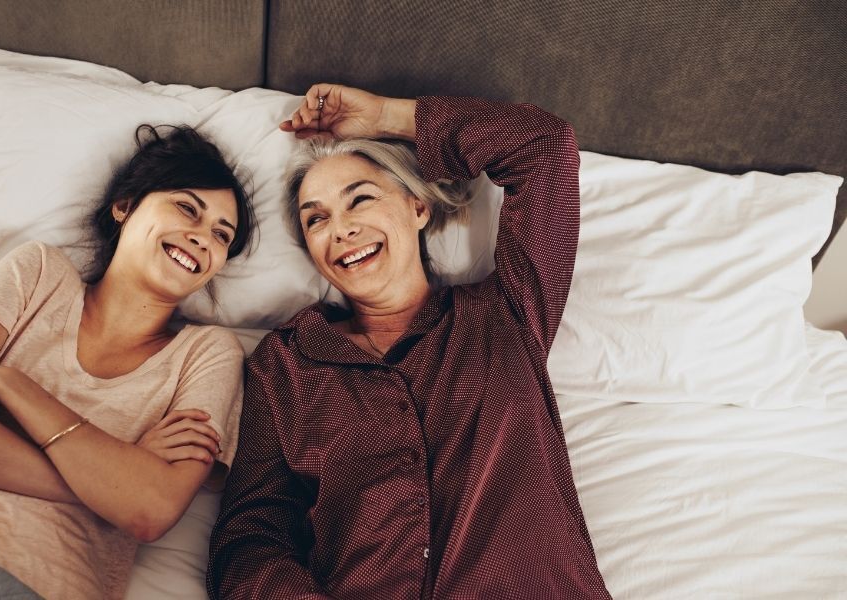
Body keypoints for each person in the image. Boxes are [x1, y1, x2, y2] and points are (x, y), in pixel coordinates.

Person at [208, 86, 611, 599]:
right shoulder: (286, 365)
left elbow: (544, 147)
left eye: (361, 199)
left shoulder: (505, 312)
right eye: (317, 219)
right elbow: (247, 539)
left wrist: (386, 115)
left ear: (418, 207)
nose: (342, 229)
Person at [0, 125, 254, 599]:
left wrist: (9, 387)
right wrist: (108, 484)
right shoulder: (38, 275)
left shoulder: (207, 354)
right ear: (124, 206)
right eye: (187, 208)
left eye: (221, 234)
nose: (201, 238)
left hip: (34, 583)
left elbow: (149, 509)